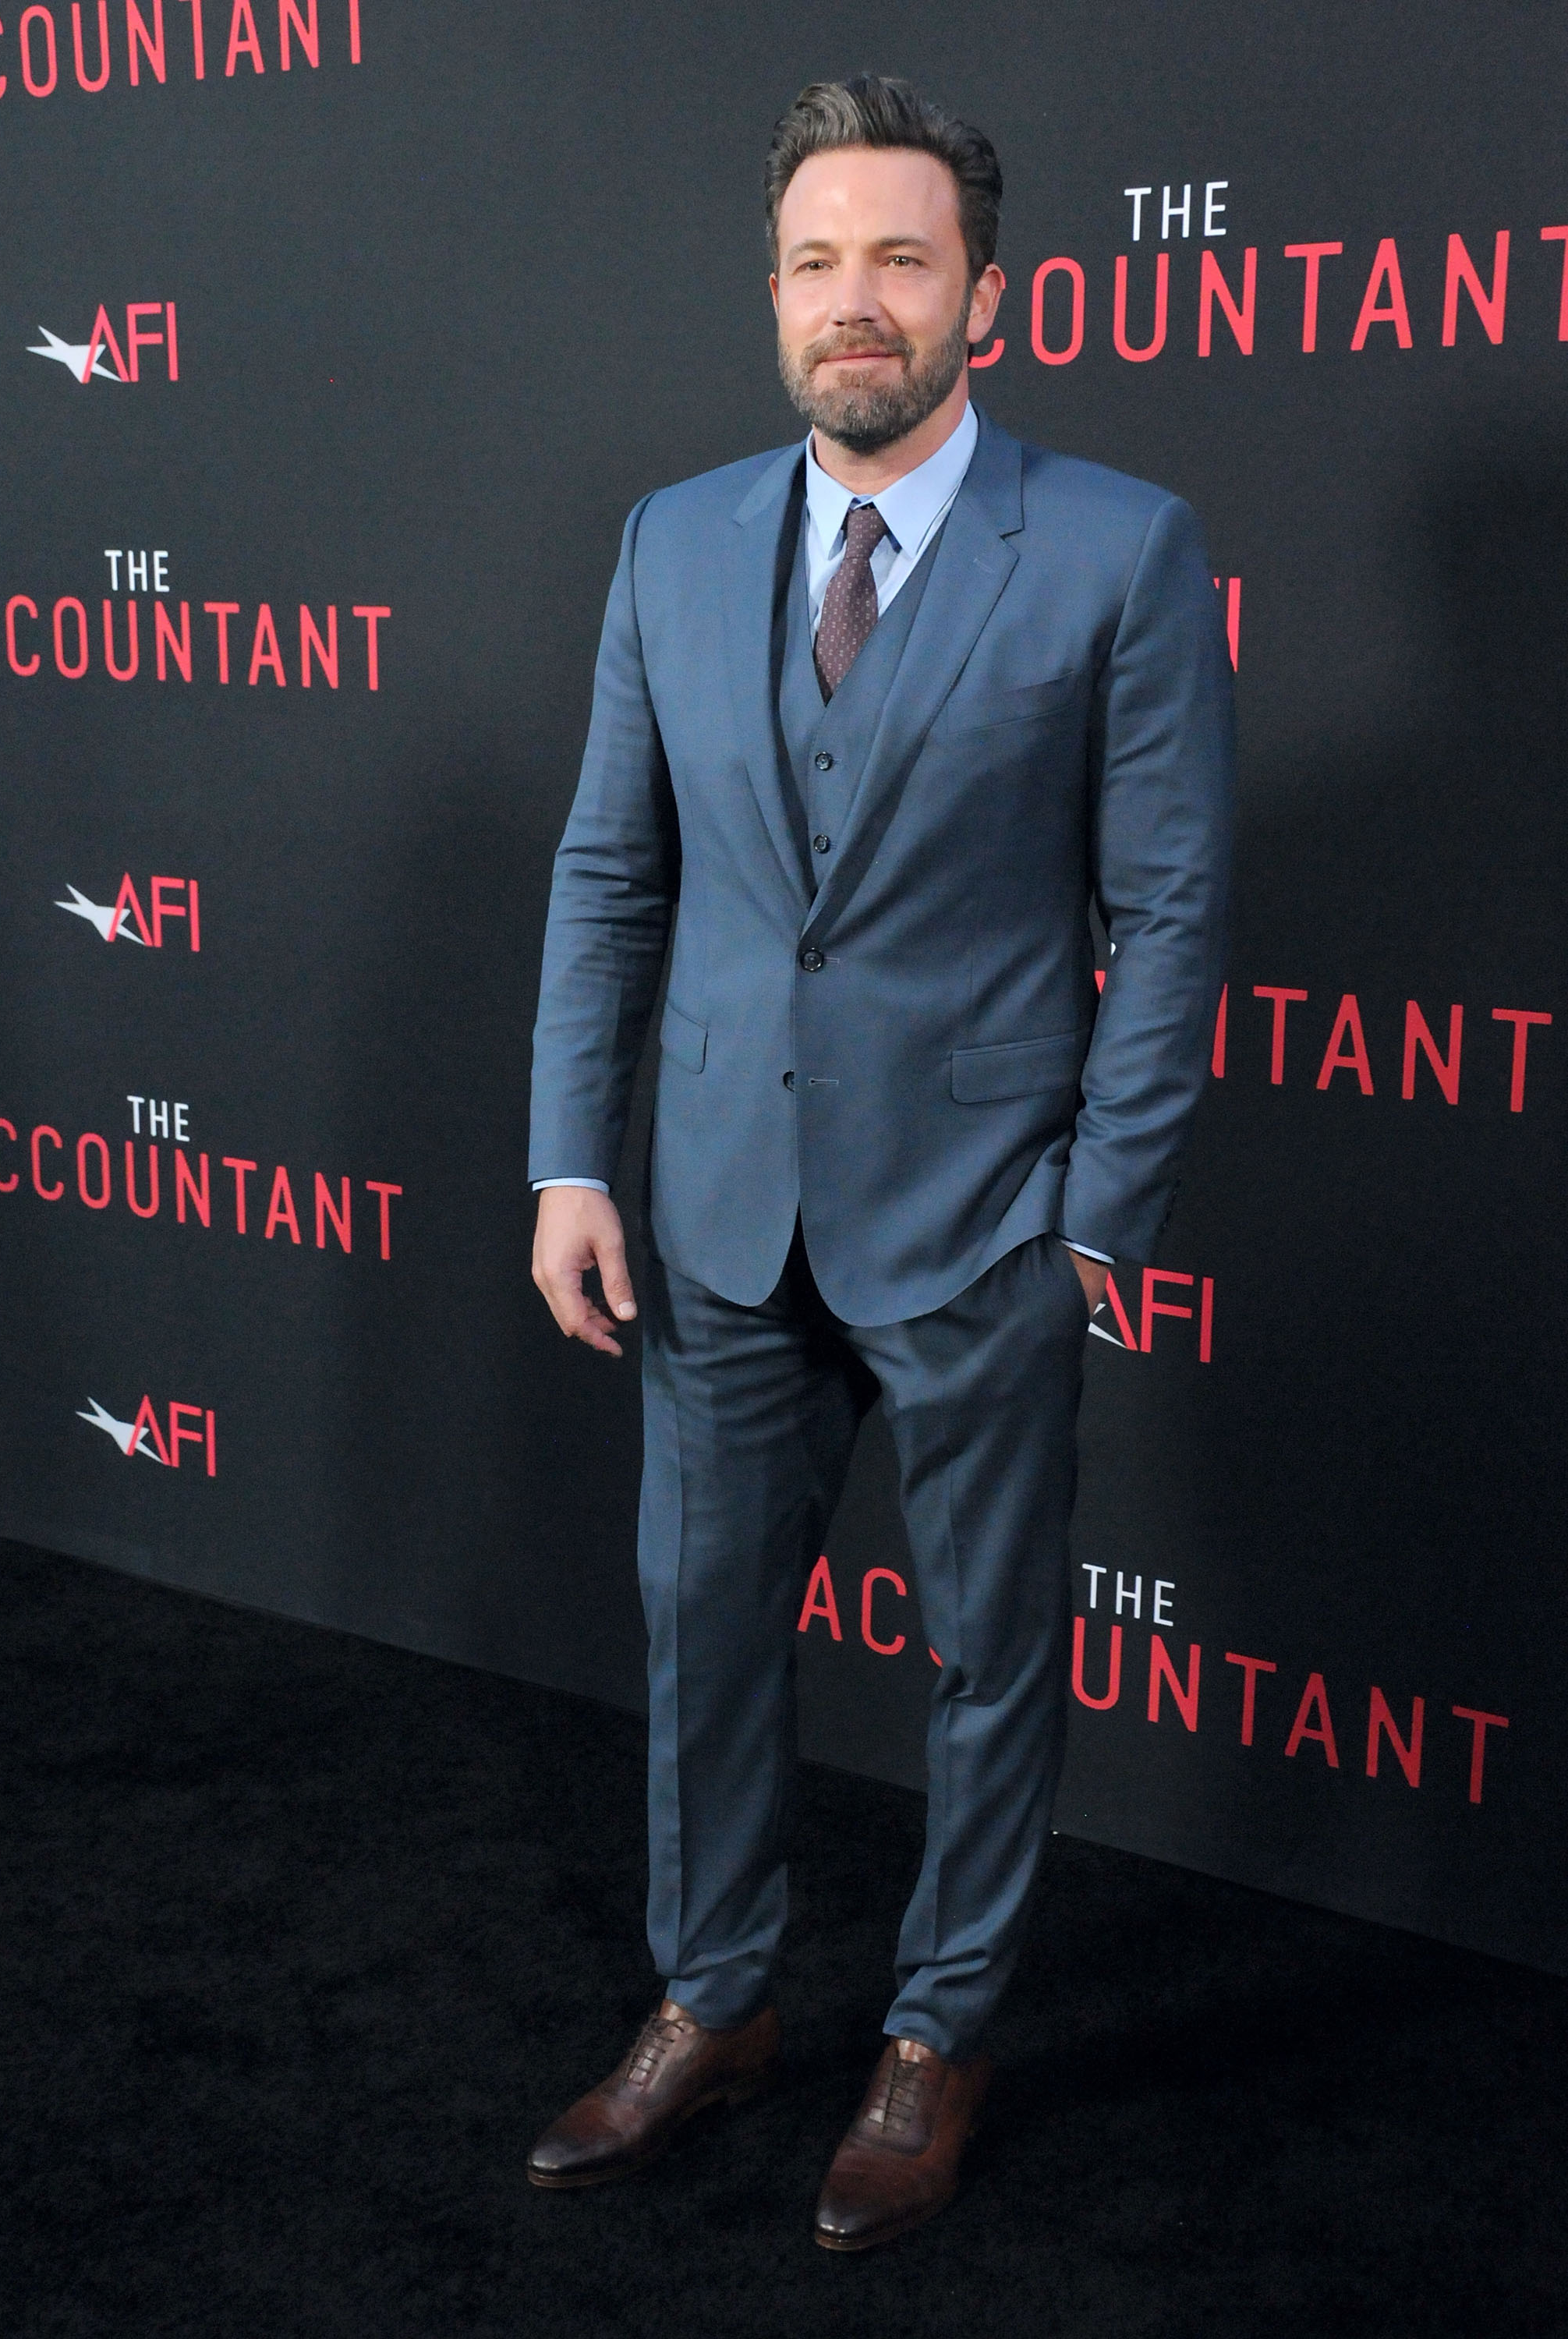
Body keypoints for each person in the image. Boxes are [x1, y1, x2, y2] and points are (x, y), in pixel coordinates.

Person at [524, 73, 1234, 2252]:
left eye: (899, 260)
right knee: (703, 1621)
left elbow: (1174, 901)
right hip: (717, 1208)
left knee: (992, 1654)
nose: (856, 302)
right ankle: (715, 1999)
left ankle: (933, 2037)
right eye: (817, 262)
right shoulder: (673, 539)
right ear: (776, 295)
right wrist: (572, 1158)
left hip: (982, 1227)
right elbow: (608, 873)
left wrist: (1090, 1219)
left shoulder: (1115, 544)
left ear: (981, 298)